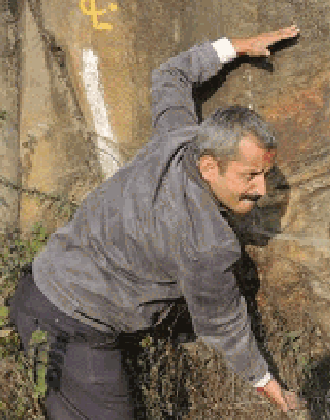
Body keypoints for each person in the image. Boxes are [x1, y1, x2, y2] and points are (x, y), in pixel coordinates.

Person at [8, 25, 302, 418]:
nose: (262, 189)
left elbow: (170, 76)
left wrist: (236, 47)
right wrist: (267, 383)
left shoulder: (177, 139)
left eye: (265, 174)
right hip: (72, 326)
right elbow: (224, 326)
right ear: (209, 166)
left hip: (40, 288)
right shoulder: (207, 243)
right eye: (250, 175)